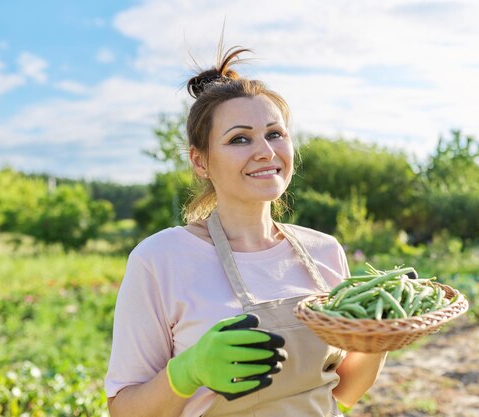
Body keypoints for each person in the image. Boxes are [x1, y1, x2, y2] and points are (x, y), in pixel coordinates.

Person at [105, 44, 387, 417]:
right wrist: (186, 372)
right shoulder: (160, 259)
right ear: (200, 161)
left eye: (275, 134)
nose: (266, 152)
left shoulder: (324, 251)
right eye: (240, 139)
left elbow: (343, 394)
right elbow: (125, 410)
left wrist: (378, 337)